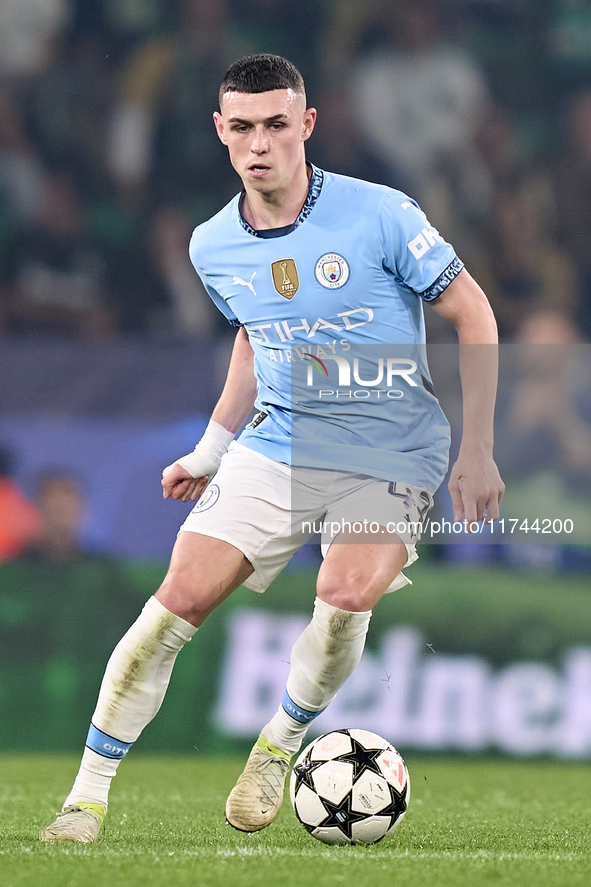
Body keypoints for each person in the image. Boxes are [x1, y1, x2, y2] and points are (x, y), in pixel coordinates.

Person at [39, 53, 504, 844]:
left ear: (306, 125)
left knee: (347, 589)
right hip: (277, 443)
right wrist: (211, 447)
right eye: (244, 128)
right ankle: (83, 801)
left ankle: (278, 744)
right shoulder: (211, 245)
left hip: (389, 448)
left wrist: (478, 448)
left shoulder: (381, 213)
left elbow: (474, 313)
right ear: (221, 132)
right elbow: (257, 344)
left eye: (277, 125)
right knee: (173, 605)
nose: (261, 145)